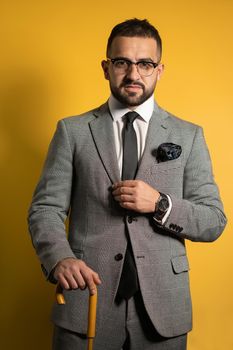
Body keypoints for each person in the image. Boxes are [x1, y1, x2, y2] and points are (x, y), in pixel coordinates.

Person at [28, 18, 227, 350]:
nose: (134, 74)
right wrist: (59, 258)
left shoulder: (189, 136)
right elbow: (45, 210)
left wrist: (161, 204)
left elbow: (213, 221)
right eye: (122, 62)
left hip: (164, 310)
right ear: (106, 68)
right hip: (85, 301)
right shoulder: (72, 132)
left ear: (159, 70)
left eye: (145, 64)